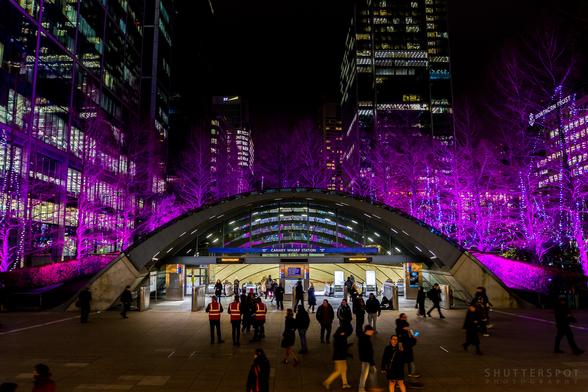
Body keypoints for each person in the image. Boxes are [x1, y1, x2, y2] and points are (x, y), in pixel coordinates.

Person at [395, 313, 419, 377]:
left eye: (406, 317)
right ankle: (411, 373)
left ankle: (410, 373)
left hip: (408, 346)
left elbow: (411, 336)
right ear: (401, 318)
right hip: (405, 347)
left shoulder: (406, 328)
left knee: (409, 360)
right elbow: (399, 339)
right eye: (404, 317)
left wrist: (414, 335)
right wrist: (400, 346)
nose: (405, 318)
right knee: (408, 360)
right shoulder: (400, 329)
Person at [358, 325, 376, 392]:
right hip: (366, 359)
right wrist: (372, 362)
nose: (372, 332)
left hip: (365, 359)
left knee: (369, 372)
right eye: (371, 331)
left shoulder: (364, 338)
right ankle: (361, 388)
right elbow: (368, 351)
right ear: (368, 331)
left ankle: (364, 387)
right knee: (364, 374)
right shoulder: (365, 339)